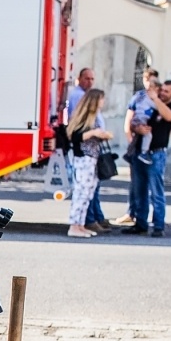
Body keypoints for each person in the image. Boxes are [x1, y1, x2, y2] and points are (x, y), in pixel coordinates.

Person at [122, 76, 171, 237]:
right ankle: (140, 223)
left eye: (166, 91)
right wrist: (136, 128)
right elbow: (134, 120)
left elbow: (170, 117)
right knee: (139, 190)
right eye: (161, 90)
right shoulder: (151, 105)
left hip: (157, 154)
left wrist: (156, 100)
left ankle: (158, 226)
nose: (162, 93)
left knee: (156, 191)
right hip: (140, 152)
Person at [65, 88, 110, 239]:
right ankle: (74, 225)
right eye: (101, 99)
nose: (103, 102)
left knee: (88, 193)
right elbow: (75, 136)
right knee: (81, 192)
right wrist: (94, 133)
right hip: (84, 157)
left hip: (93, 157)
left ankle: (80, 224)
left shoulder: (95, 117)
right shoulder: (84, 117)